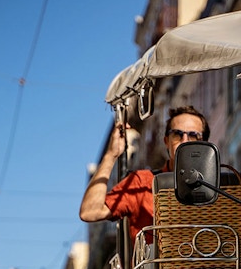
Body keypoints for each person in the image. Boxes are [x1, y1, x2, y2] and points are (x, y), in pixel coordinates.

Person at [78, 106, 210, 247]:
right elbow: (90, 212)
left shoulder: (220, 186)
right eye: (177, 134)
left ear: (205, 144)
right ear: (166, 141)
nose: (184, 141)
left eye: (193, 135)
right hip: (154, 267)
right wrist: (111, 155)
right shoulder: (142, 182)